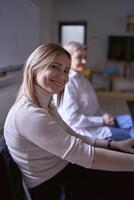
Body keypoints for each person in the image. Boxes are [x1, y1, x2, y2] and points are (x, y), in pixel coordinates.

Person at [3, 43, 134, 200]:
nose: (64, 77)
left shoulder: (47, 106)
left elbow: (74, 135)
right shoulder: (29, 115)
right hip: (52, 186)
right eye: (55, 67)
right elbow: (85, 155)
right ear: (35, 67)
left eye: (66, 70)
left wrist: (113, 145)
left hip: (65, 169)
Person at [54, 41, 133, 141]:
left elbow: (95, 108)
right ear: (67, 59)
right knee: (129, 136)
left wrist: (104, 115)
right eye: (79, 57)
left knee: (130, 120)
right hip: (85, 131)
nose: (84, 62)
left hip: (98, 122)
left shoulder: (83, 79)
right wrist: (102, 121)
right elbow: (71, 119)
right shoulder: (67, 83)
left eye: (85, 57)